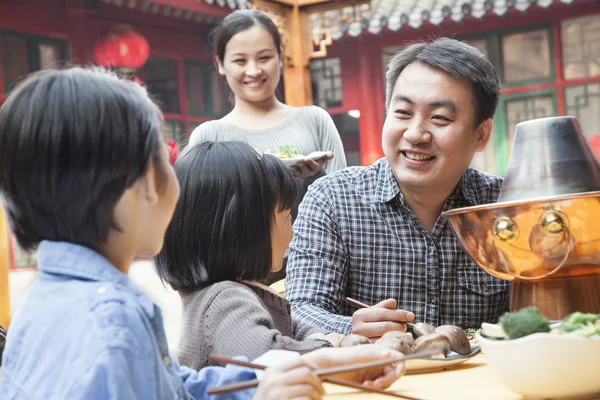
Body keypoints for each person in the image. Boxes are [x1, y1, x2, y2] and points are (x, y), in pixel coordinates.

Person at [0, 67, 405, 399]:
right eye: (165, 160)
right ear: (136, 188)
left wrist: (265, 384)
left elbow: (175, 388)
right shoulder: (110, 320)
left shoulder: (50, 300)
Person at [284, 38, 511, 339]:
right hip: (375, 381)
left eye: (439, 118)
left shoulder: (504, 205)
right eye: (402, 113)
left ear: (481, 134)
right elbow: (299, 310)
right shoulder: (332, 200)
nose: (416, 134)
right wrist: (349, 328)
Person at [155, 141, 345, 370]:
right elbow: (267, 357)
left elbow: (295, 328)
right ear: (243, 229)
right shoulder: (225, 299)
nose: (292, 231)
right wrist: (325, 346)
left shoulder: (234, 292)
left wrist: (336, 337)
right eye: (286, 216)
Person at [187, 9, 347, 209]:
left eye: (264, 58)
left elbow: (344, 204)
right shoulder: (208, 136)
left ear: (280, 57)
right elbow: (200, 213)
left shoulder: (315, 120)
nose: (254, 71)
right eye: (240, 61)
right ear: (220, 64)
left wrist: (315, 177)